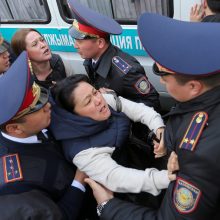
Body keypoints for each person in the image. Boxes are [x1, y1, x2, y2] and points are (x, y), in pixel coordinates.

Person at [84, 13, 220, 220]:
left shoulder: (198, 155)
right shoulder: (202, 101)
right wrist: (171, 143)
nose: (162, 83)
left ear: (193, 87)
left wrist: (107, 206)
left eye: (165, 77)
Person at [67, 0, 163, 178]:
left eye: (79, 40)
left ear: (100, 43)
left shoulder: (125, 70)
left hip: (133, 136)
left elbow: (152, 101)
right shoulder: (91, 59)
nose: (75, 45)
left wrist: (117, 102)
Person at [49, 74, 176, 196]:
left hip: (139, 155)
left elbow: (140, 110)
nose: (98, 100)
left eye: (95, 92)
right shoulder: (81, 151)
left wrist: (159, 130)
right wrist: (167, 177)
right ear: (73, 115)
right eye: (88, 102)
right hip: (128, 193)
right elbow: (118, 178)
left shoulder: (105, 101)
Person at [0, 51, 86, 220]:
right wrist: (80, 178)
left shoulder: (35, 121)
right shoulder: (18, 187)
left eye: (41, 98)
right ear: (15, 129)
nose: (47, 105)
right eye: (37, 107)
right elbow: (59, 215)